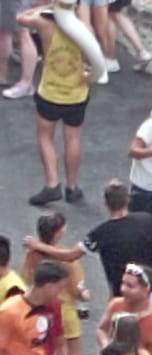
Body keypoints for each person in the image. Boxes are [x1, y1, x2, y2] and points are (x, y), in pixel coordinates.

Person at [23, 2, 90, 209]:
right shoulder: (84, 28)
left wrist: (45, 5)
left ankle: (52, 183)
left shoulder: (43, 23)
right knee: (73, 138)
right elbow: (93, 58)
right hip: (76, 93)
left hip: (50, 92)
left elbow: (21, 17)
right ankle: (72, 187)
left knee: (45, 136)